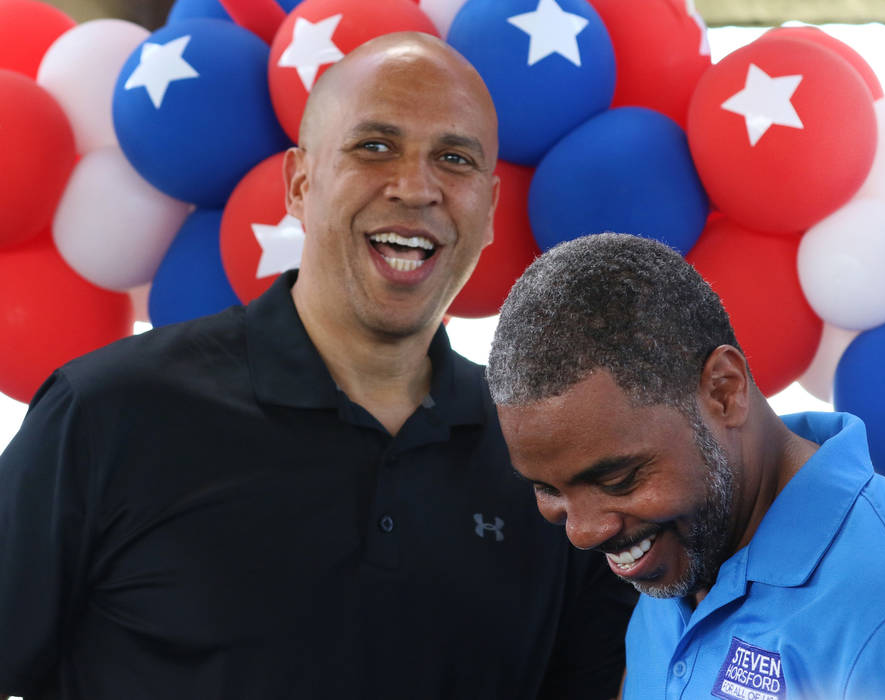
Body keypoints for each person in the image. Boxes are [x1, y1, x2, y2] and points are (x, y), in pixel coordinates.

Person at [0, 34, 635, 700]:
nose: (416, 187)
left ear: (489, 213)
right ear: (300, 184)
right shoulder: (108, 412)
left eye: (454, 158)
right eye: (375, 146)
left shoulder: (547, 462)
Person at [486, 232, 885, 699]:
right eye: (548, 489)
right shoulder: (683, 555)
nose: (584, 532)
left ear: (725, 391)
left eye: (617, 479)